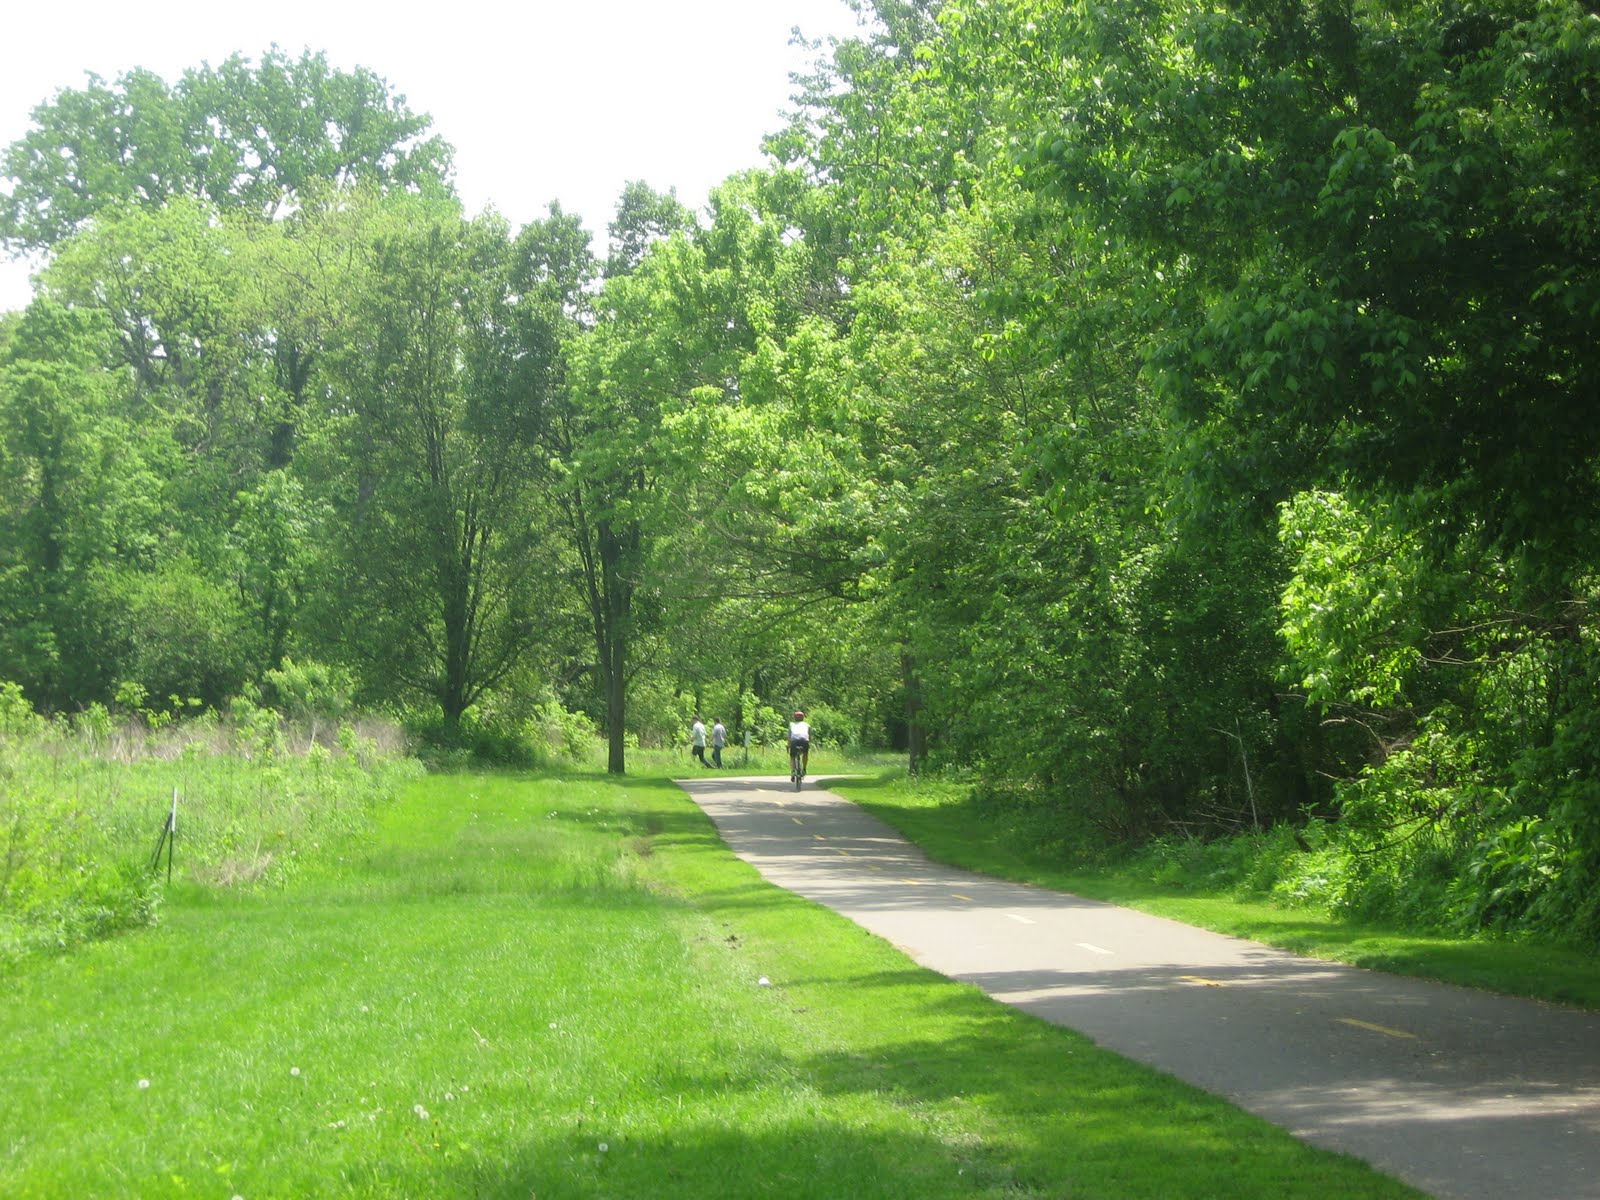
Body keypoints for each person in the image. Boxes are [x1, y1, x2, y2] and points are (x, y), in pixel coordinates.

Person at [788, 710, 811, 775]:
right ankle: (804, 768)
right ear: (803, 718)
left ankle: (793, 771)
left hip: (794, 741)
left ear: (794, 717)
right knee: (805, 754)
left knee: (792, 756)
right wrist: (809, 743)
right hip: (804, 740)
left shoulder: (791, 724)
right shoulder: (807, 725)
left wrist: (789, 745)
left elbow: (789, 737)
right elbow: (809, 736)